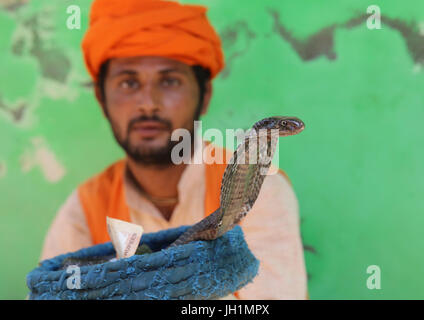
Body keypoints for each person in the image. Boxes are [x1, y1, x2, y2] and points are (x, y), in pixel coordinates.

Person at [40, 0, 308, 299]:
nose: (148, 102)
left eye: (169, 81)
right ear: (102, 100)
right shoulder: (84, 207)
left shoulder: (263, 189)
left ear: (204, 95)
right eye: (129, 83)